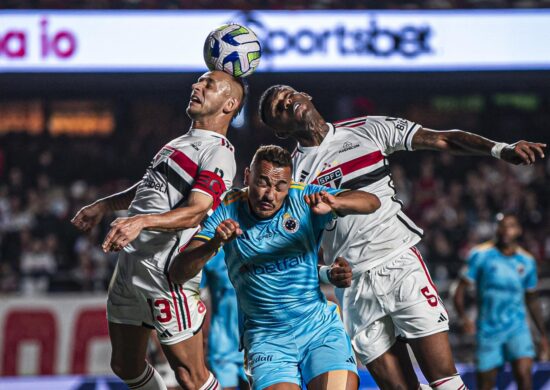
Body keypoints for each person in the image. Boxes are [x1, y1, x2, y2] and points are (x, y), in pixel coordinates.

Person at [258, 84, 546, 390]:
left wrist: (500, 149)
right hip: (353, 287)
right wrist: (326, 273)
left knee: (446, 382)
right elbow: (289, 253)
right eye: (278, 107)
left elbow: (442, 139)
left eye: (288, 94)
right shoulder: (290, 178)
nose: (287, 102)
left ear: (307, 95)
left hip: (398, 264)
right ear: (279, 129)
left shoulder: (368, 129)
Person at [71, 70, 246, 390]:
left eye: (209, 85)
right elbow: (147, 188)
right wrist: (103, 206)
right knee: (125, 365)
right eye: (199, 81)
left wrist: (141, 221)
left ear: (229, 104)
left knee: (191, 377)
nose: (197, 86)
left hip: (164, 273)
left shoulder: (218, 151)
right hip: (131, 267)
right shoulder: (181, 141)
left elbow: (196, 211)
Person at [169, 145, 381, 390]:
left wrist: (335, 202)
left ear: (288, 186)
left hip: (318, 330)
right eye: (262, 183)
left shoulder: (303, 198)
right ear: (247, 176)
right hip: (267, 340)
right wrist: (214, 243)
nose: (270, 194)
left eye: (280, 187)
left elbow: (371, 202)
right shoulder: (226, 208)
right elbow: (177, 272)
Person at [453, 213, 549, 390]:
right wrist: (463, 318)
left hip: (518, 328)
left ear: (518, 230)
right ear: (496, 228)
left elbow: (532, 299)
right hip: (488, 331)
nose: (506, 230)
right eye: (501, 225)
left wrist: (543, 336)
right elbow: (459, 291)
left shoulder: (527, 261)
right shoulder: (480, 255)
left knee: (524, 378)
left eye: (511, 226)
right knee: (486, 384)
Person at [201, 249, 249, 390]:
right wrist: (203, 337)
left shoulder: (253, 245)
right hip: (222, 340)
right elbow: (200, 299)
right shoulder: (210, 253)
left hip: (252, 337)